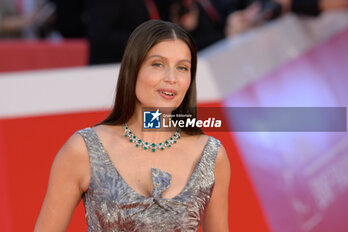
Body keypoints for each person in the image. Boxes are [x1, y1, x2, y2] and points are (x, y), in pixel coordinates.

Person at [34, 20, 231, 231]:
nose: (172, 78)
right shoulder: (83, 150)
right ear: (133, 68)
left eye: (182, 68)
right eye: (158, 64)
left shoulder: (211, 156)